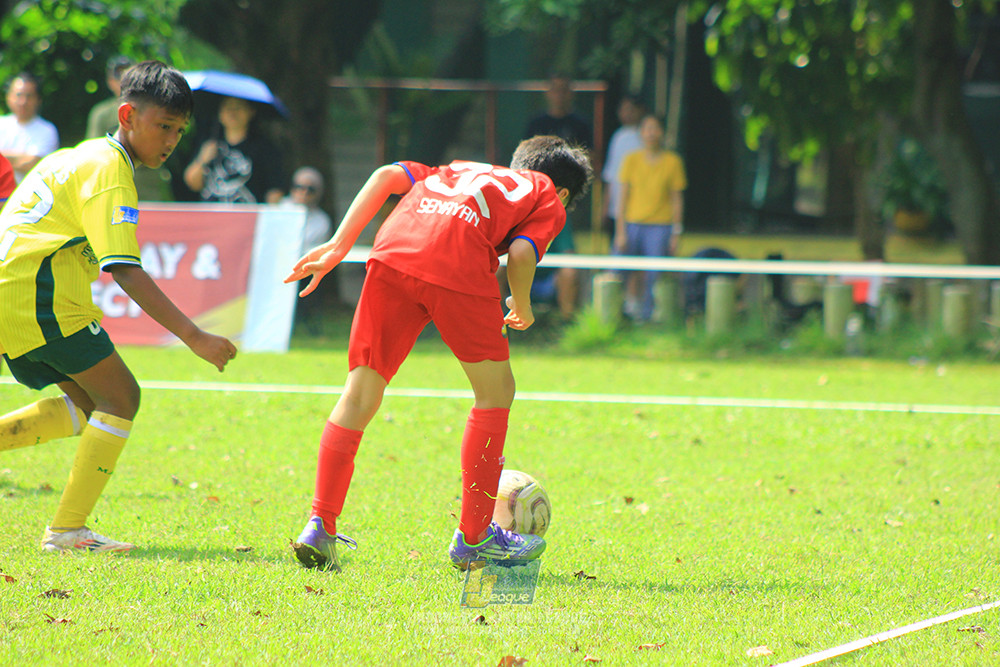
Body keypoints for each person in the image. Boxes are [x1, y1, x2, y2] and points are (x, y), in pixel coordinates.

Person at [284, 135, 592, 572]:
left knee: (359, 395)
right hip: (457, 260)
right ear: (564, 192)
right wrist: (521, 305)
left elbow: (387, 176)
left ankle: (320, 523)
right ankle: (474, 538)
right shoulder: (547, 195)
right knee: (496, 392)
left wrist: (339, 244)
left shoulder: (460, 168)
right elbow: (522, 253)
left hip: (392, 252)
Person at [0, 60, 238, 553]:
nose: (171, 140)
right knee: (122, 397)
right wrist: (196, 336)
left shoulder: (80, 154)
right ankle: (67, 531)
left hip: (17, 289)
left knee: (91, 403)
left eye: (179, 129)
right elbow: (124, 268)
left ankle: (68, 529)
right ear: (128, 115)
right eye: (163, 126)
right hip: (36, 294)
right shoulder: (110, 171)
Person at [521, 74, 592, 320]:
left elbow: (589, 161)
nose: (559, 94)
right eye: (555, 89)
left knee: (570, 270)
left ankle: (565, 323)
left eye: (565, 90)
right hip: (523, 259)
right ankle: (497, 322)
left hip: (554, 241)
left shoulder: (580, 124)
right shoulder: (536, 123)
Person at [615, 114, 687, 322]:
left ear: (662, 132)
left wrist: (676, 232)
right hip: (632, 223)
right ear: (641, 132)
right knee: (618, 270)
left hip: (660, 226)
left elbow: (677, 199)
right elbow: (623, 198)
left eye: (655, 128)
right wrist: (620, 231)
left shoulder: (673, 162)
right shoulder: (631, 160)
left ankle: (647, 317)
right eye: (647, 128)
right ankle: (616, 314)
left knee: (654, 275)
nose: (651, 133)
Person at [85, 56, 173, 202]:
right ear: (110, 82)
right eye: (119, 76)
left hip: (149, 190)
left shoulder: (155, 109)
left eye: (130, 76)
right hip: (114, 190)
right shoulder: (101, 113)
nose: (124, 81)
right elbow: (93, 156)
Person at [183, 96, 284, 204]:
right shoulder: (209, 144)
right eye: (228, 108)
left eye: (238, 108)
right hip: (212, 217)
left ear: (251, 112)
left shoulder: (264, 148)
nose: (233, 113)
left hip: (247, 216)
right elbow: (193, 184)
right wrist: (203, 160)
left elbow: (275, 190)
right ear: (220, 114)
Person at [283, 166, 334, 330]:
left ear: (318, 193)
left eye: (310, 189)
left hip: (301, 269)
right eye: (299, 187)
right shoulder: (278, 209)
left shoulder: (322, 221)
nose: (303, 192)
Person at [0, 72, 59, 182]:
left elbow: (35, 164)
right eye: (18, 95)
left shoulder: (47, 130)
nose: (23, 102)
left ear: (38, 100)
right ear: (8, 97)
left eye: (29, 96)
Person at [601, 95, 644, 236]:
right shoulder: (618, 137)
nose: (626, 114)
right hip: (616, 206)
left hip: (639, 208)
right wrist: (605, 206)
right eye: (623, 110)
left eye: (631, 110)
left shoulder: (645, 137)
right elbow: (610, 174)